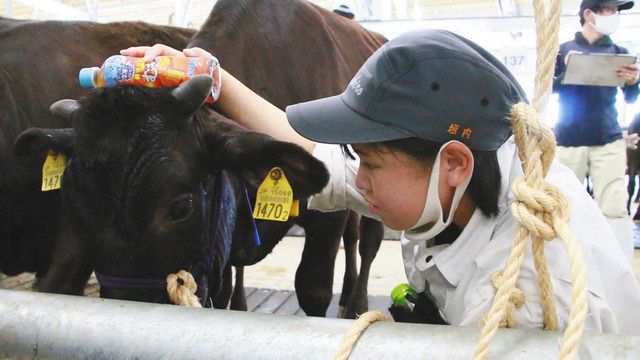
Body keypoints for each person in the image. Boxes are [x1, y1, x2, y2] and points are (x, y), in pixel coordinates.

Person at [121, 29, 640, 334]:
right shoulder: (479, 173)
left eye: (369, 161)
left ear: (453, 164)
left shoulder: (523, 298)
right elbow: (321, 163)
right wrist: (214, 75)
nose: (357, 179)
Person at [553, 0, 640, 262]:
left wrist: (633, 82)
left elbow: (630, 98)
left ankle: (618, 266)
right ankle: (564, 264)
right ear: (589, 14)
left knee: (614, 206)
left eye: (616, 11)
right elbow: (548, 89)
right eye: (609, 10)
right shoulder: (563, 51)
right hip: (568, 140)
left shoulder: (619, 52)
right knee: (563, 205)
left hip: (608, 139)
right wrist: (566, 71)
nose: (614, 15)